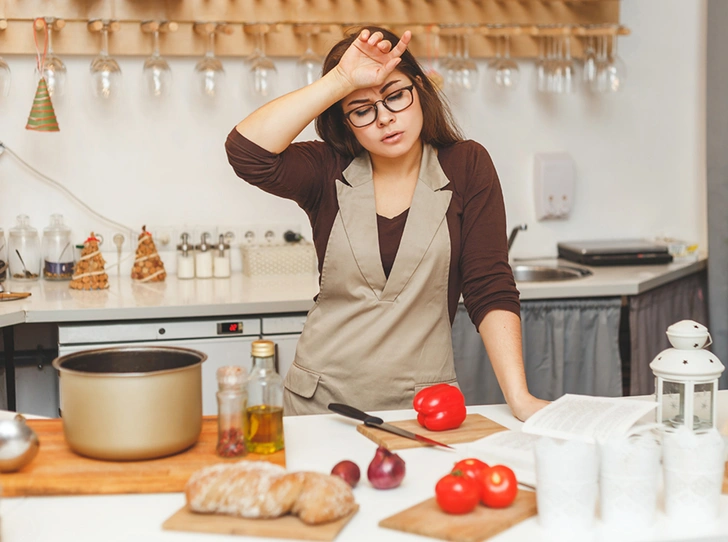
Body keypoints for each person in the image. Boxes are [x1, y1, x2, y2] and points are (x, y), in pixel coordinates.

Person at [226, 27, 548, 421]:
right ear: (346, 122)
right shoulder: (328, 169)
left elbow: (489, 286)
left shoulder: (466, 165)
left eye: (395, 96)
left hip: (424, 406)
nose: (385, 119)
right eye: (362, 110)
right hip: (319, 404)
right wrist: (341, 81)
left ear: (420, 89)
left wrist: (520, 398)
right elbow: (246, 152)